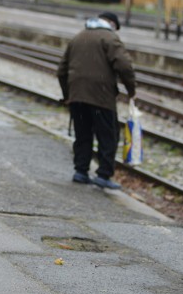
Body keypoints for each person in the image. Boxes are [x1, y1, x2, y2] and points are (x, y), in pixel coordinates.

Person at [57, 12, 136, 190]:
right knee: (108, 135)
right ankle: (103, 175)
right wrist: (131, 90)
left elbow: (61, 71)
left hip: (77, 95)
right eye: (115, 26)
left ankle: (81, 172)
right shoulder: (109, 38)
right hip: (101, 96)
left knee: (83, 134)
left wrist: (68, 94)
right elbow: (124, 65)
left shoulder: (78, 37)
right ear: (110, 23)